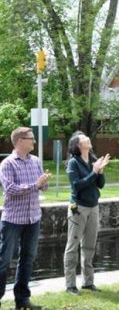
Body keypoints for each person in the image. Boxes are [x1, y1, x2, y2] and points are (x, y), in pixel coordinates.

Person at [0, 127, 51, 309]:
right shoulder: (7, 164)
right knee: (3, 261)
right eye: (31, 138)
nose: (34, 142)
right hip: (13, 220)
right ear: (20, 141)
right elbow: (11, 190)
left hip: (33, 219)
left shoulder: (35, 161)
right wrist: (35, 185)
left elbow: (41, 188)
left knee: (27, 260)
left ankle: (22, 301)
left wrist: (44, 182)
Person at [64, 133, 110, 295]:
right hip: (79, 208)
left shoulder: (92, 160)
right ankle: (70, 285)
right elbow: (77, 186)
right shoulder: (73, 163)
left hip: (93, 206)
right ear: (77, 144)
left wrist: (100, 171)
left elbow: (101, 185)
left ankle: (88, 282)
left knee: (89, 246)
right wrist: (94, 172)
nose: (87, 139)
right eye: (83, 138)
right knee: (73, 246)